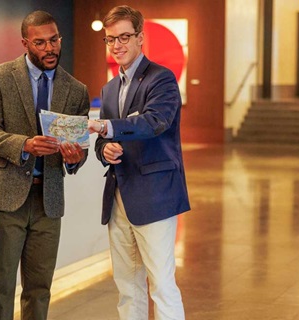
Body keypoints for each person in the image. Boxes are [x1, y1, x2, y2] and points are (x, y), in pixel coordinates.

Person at [0, 10, 90, 320]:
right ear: (25, 43)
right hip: (4, 199)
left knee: (40, 289)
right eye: (40, 43)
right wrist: (24, 145)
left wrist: (76, 158)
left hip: (48, 202)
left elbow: (80, 148)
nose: (49, 48)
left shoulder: (76, 90)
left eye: (54, 40)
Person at [87, 5, 190, 320]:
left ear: (140, 38)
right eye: (110, 40)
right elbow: (105, 140)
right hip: (119, 196)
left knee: (161, 285)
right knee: (128, 287)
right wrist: (104, 148)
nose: (117, 45)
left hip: (155, 195)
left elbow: (154, 122)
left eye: (124, 37)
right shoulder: (109, 88)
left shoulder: (162, 79)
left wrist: (107, 128)